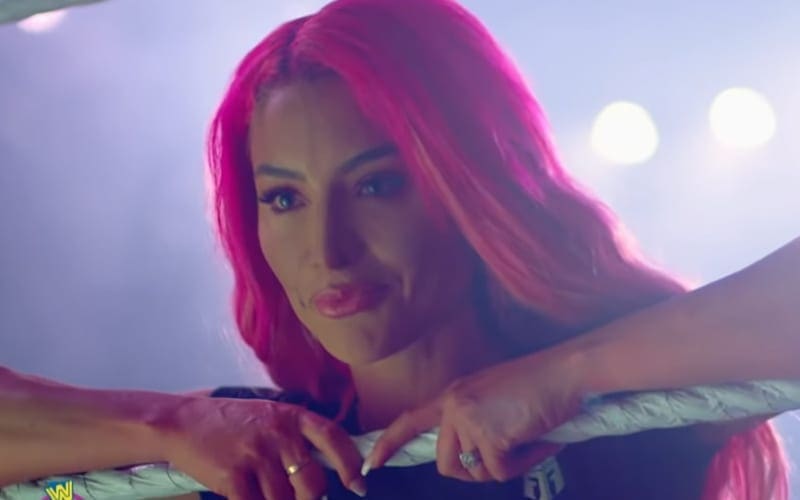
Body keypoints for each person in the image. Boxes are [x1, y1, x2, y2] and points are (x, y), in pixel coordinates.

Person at [0, 0, 796, 499]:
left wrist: (567, 373)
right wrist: (165, 425)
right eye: (284, 199)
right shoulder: (258, 458)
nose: (327, 249)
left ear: (469, 182)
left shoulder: (618, 415)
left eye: (376, 185)